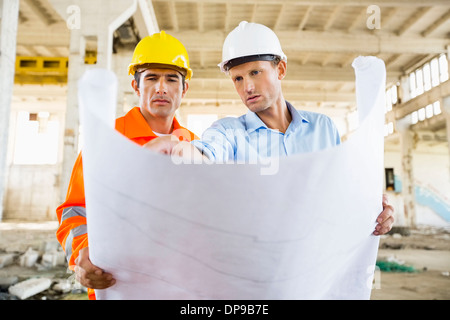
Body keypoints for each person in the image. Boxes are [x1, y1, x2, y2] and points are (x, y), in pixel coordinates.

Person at [145, 21, 394, 236]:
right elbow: (205, 155)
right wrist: (178, 149)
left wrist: (375, 209)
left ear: (281, 69)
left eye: (255, 72)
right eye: (238, 79)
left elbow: (341, 192)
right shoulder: (228, 133)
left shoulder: (323, 128)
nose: (248, 87)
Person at [55, 31, 198, 300]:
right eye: (151, 78)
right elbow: (73, 210)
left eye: (171, 79)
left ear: (184, 88)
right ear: (136, 86)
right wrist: (82, 255)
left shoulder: (194, 145)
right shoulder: (108, 138)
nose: (161, 88)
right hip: (119, 288)